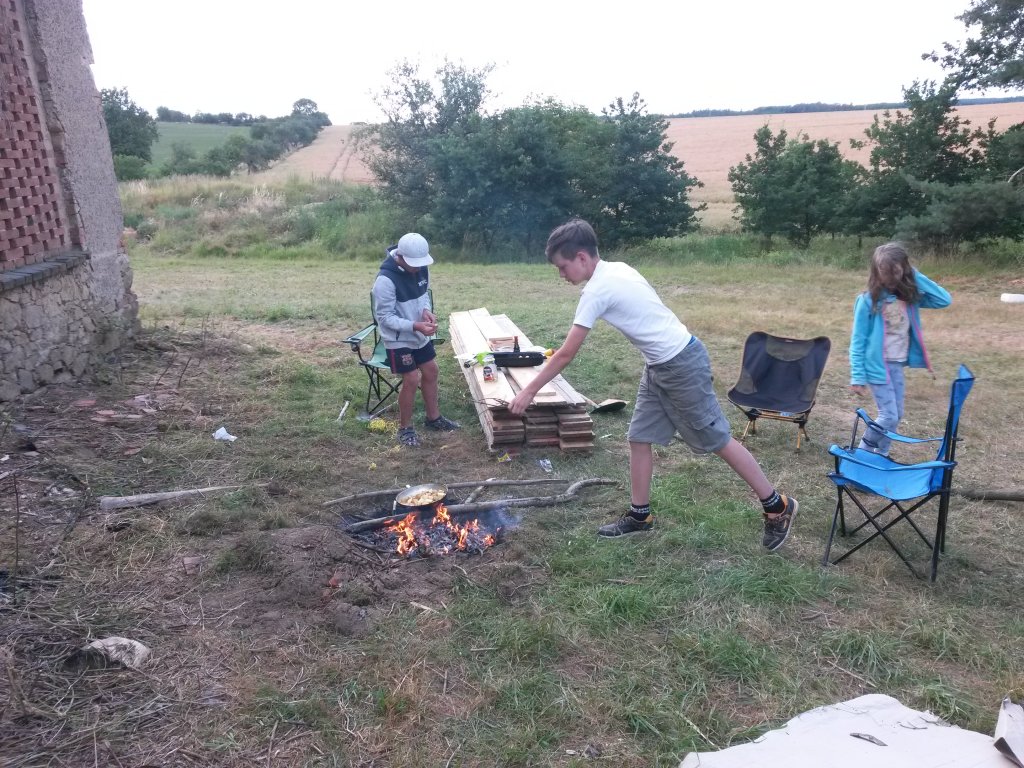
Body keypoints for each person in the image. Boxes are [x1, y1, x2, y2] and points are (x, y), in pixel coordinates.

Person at [508, 219, 798, 550]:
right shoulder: (618, 268)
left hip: (681, 365)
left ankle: (777, 506)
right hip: (659, 365)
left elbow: (566, 354)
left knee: (717, 439)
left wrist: (528, 390)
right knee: (639, 436)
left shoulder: (597, 290)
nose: (562, 274)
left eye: (563, 267)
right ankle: (640, 516)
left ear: (582, 257)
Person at [849, 242, 951, 456]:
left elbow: (944, 299)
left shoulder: (909, 298)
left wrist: (914, 274)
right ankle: (863, 453)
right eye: (885, 272)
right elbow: (858, 341)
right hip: (876, 367)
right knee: (888, 415)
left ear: (904, 268)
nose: (890, 278)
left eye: (895, 271)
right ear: (876, 271)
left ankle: (882, 455)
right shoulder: (868, 301)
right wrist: (857, 376)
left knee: (897, 415)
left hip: (896, 365)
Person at [372, 232, 461, 447]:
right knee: (411, 378)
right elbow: (384, 318)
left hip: (418, 334)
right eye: (414, 264)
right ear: (400, 257)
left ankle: (433, 419)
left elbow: (423, 296)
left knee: (431, 371)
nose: (418, 268)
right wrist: (414, 325)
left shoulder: (421, 267)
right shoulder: (385, 280)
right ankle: (405, 429)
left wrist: (426, 312)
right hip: (397, 338)